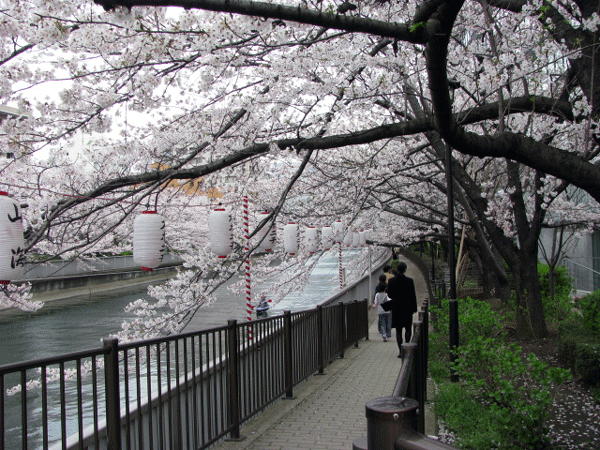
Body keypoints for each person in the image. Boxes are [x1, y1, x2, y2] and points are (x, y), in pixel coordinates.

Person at [386, 261, 418, 358]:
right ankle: (407, 347)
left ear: (397, 269)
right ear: (405, 270)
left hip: (396, 307)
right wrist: (414, 308)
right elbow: (413, 295)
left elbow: (389, 295)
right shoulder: (410, 281)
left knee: (398, 330)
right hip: (407, 307)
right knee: (408, 328)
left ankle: (400, 351)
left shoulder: (391, 281)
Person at [372, 274, 392, 341]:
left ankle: (383, 335)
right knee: (388, 323)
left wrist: (374, 305)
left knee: (382, 323)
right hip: (387, 310)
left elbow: (376, 302)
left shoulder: (377, 294)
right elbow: (390, 300)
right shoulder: (387, 294)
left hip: (380, 311)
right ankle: (388, 334)